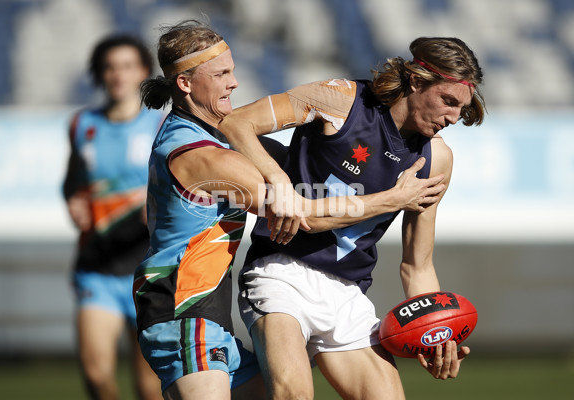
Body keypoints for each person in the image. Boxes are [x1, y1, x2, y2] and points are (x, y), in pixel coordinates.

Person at [133, 20, 445, 400]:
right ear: (185, 83)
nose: (234, 82)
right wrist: (393, 199)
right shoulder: (198, 155)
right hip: (181, 308)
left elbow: (291, 171)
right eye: (222, 74)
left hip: (209, 313)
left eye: (232, 71)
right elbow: (304, 216)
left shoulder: (207, 134)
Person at [218, 37, 485, 399]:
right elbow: (235, 122)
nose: (454, 117)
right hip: (279, 271)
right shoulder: (340, 99)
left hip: (347, 293)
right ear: (417, 81)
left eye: (461, 108)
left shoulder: (437, 160)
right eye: (448, 101)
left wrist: (437, 332)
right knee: (294, 395)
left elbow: (417, 266)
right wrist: (278, 181)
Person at [63, 34, 163, 400]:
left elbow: (182, 192)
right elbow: (71, 183)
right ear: (99, 74)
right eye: (109, 67)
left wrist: (152, 205)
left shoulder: (160, 127)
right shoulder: (82, 125)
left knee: (149, 385)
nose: (118, 74)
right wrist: (73, 199)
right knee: (95, 373)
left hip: (148, 269)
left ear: (143, 73)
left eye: (127, 66)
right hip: (97, 266)